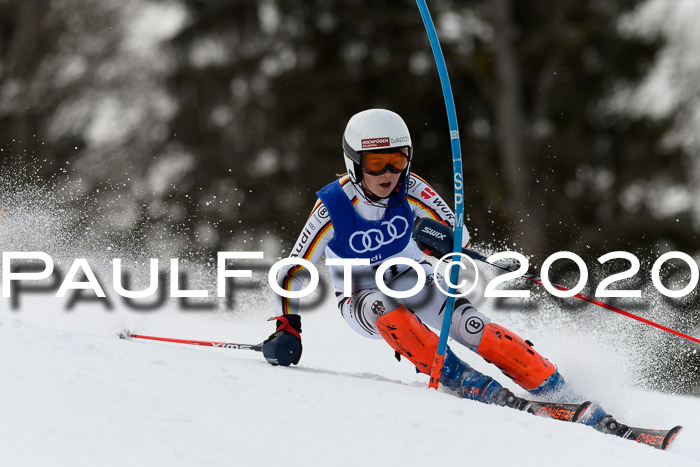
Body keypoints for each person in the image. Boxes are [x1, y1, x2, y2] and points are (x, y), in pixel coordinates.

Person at [262, 108, 617, 432]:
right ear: (354, 163)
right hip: (360, 295)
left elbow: (456, 231)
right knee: (391, 312)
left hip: (412, 276)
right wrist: (287, 327)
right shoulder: (332, 208)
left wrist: (448, 242)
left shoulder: (411, 188)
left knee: (473, 325)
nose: (389, 173)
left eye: (397, 159)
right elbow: (292, 271)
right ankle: (463, 379)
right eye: (376, 163)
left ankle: (557, 388)